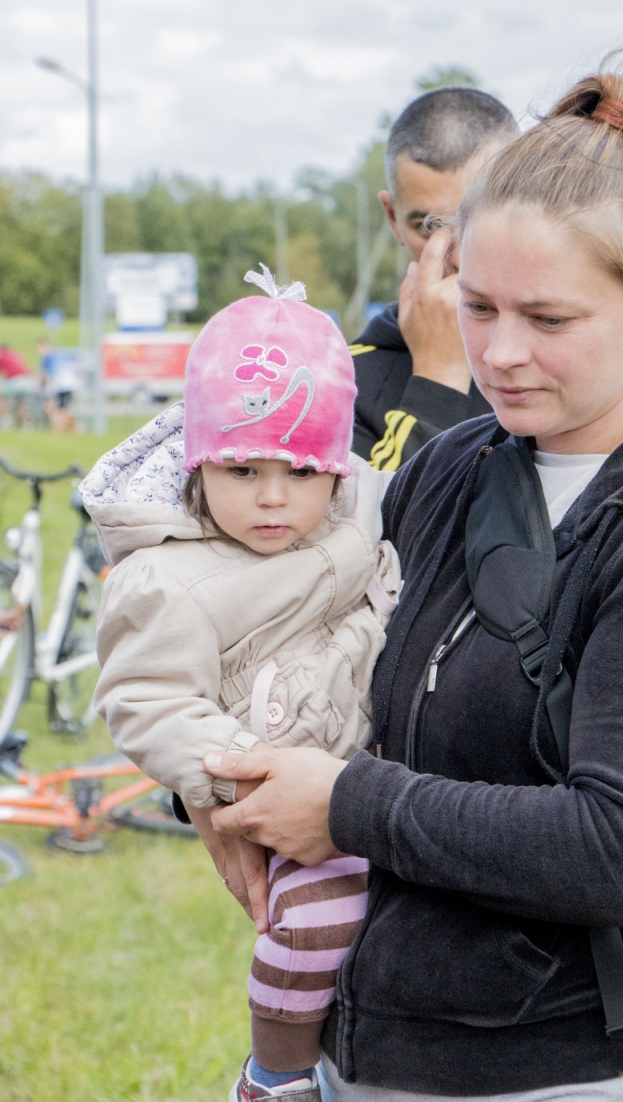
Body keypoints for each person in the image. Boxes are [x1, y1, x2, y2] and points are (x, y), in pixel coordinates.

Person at [201, 64, 623, 1098]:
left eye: (547, 318)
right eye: (476, 306)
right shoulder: (453, 465)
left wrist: (348, 806)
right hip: (381, 1048)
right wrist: (219, 779)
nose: (498, 352)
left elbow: (621, 850)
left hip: (593, 1066)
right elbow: (319, 649)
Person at [82, 266, 401, 1102]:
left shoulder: (361, 511)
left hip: (380, 771)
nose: (272, 499)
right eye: (243, 470)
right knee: (317, 922)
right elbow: (145, 699)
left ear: (336, 470)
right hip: (281, 793)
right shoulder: (165, 580)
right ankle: (277, 1072)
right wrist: (240, 767)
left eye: (302, 474)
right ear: (198, 464)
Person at [351, 87, 518, 469]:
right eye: (429, 227)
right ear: (392, 218)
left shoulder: (574, 349)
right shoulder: (338, 380)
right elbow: (370, 526)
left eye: (478, 219)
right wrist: (437, 379)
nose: (457, 255)